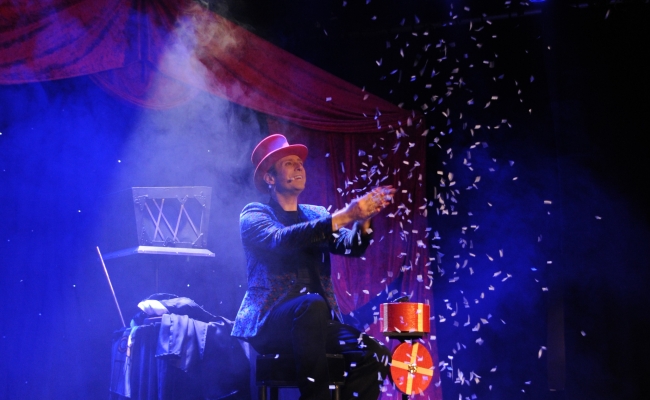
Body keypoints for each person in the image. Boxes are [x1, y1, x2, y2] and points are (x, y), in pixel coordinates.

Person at [231, 134, 395, 400]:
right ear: (270, 178)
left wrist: (362, 221)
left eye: (299, 162)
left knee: (376, 354)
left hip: (316, 322)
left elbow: (350, 246)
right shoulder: (254, 214)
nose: (299, 166)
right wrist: (345, 215)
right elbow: (281, 240)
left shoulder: (316, 214)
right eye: (288, 163)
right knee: (312, 305)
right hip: (271, 322)